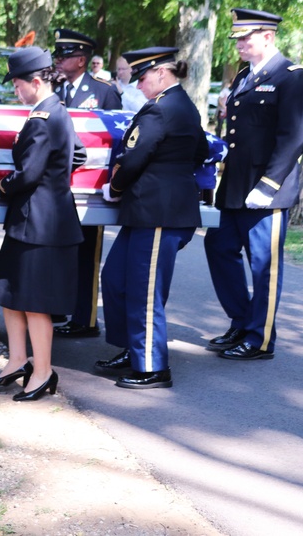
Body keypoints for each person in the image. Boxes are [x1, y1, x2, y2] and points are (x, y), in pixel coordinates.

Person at [95, 47, 209, 389]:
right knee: (115, 279)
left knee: (144, 291)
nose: (138, 84)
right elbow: (201, 151)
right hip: (150, 211)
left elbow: (132, 157)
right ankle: (133, 349)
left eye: (142, 77)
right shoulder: (181, 105)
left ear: (162, 73)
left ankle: (152, 366)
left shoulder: (162, 109)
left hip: (160, 212)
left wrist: (114, 187)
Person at [203, 8, 303, 360]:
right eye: (236, 38)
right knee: (218, 248)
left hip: (268, 192)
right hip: (235, 186)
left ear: (268, 36)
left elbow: (293, 137)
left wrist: (267, 185)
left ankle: (259, 339)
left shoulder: (291, 76)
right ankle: (242, 320)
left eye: (246, 38)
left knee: (264, 266)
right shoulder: (244, 77)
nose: (239, 44)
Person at [0, 47, 85, 400]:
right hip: (33, 219)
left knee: (35, 301)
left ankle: (43, 372)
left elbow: (27, 173)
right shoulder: (54, 112)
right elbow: (78, 154)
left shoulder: (45, 118)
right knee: (10, 294)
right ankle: (17, 361)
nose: (15, 90)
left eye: (17, 85)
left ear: (36, 81)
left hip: (41, 223)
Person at [50, 28, 121, 339]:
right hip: (60, 184)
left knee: (87, 253)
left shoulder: (104, 91)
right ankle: (58, 305)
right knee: (58, 250)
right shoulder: (56, 90)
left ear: (80, 60)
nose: (57, 60)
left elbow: (117, 137)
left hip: (90, 187)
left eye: (63, 56)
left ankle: (85, 318)